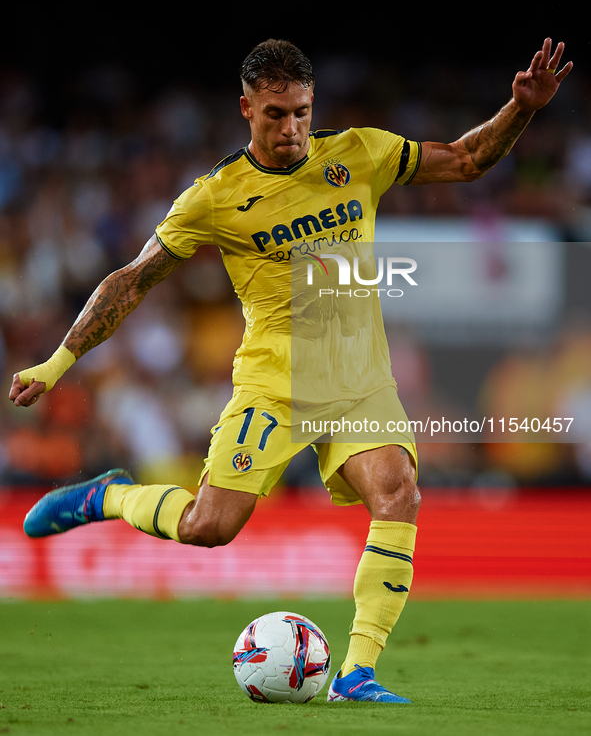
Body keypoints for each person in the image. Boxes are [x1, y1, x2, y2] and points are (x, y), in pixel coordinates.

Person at [9, 37, 572, 703]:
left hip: (360, 381)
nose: (291, 128)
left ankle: (356, 672)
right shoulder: (215, 197)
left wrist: (519, 108)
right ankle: (107, 495)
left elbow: (468, 159)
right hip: (274, 385)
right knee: (208, 527)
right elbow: (131, 281)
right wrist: (58, 360)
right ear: (246, 108)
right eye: (275, 114)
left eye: (301, 112)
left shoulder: (357, 153)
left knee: (397, 492)